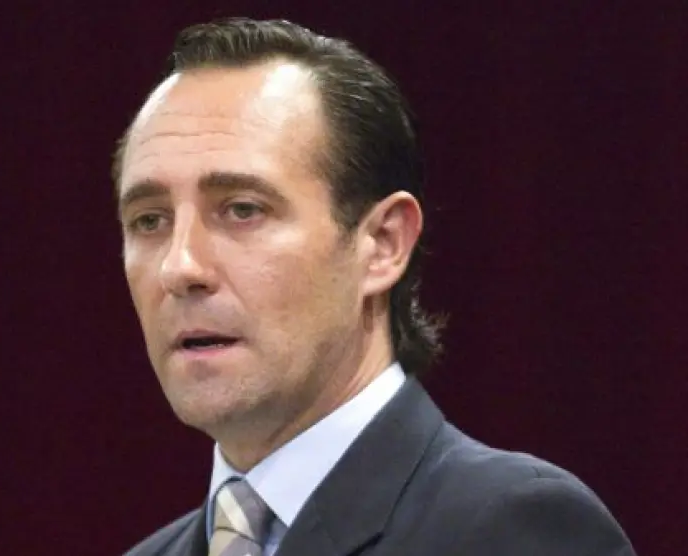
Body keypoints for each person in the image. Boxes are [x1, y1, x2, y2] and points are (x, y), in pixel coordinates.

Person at [112, 17, 636, 556]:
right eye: (149, 220)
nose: (180, 266)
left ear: (383, 244)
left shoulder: (514, 530)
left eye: (243, 210)